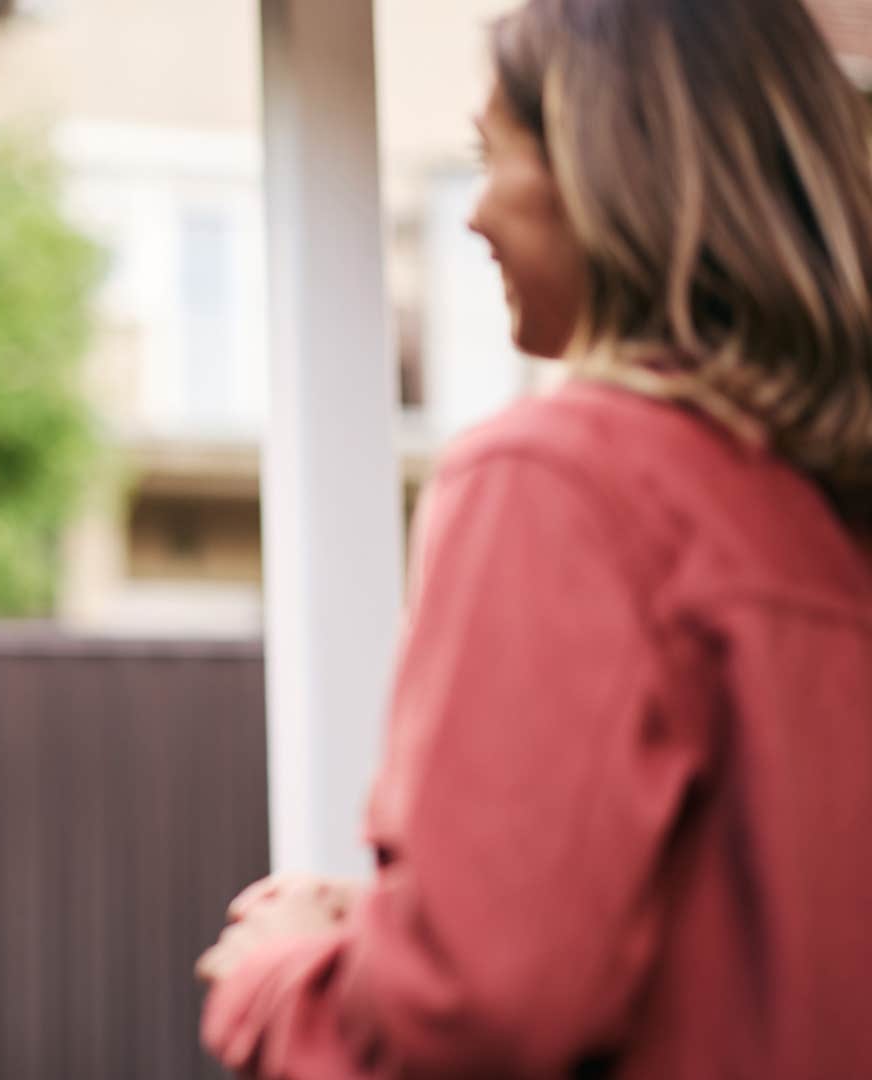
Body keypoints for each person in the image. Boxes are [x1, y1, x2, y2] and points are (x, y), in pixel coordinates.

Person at [196, 0, 872, 1075]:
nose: (472, 218)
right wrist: (392, 925)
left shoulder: (562, 480)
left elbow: (471, 1015)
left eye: (489, 159)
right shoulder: (817, 511)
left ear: (611, 174)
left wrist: (276, 977)